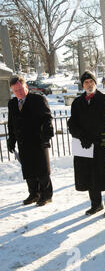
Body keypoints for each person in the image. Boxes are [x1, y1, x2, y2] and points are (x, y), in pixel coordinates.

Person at [68, 71, 105, 217]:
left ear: (95, 83)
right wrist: (81, 136)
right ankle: (96, 204)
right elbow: (72, 123)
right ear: (82, 85)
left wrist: (93, 137)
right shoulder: (78, 103)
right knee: (90, 176)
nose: (89, 85)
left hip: (101, 144)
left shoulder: (104, 100)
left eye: (91, 82)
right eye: (86, 82)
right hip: (85, 146)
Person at [7, 76, 54, 206]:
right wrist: (11, 139)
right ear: (12, 90)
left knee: (42, 169)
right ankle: (34, 194)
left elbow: (47, 118)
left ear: (26, 86)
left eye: (21, 89)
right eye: (15, 90)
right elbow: (11, 123)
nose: (19, 92)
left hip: (38, 140)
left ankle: (46, 194)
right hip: (23, 142)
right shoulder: (12, 103)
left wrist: (47, 135)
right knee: (28, 170)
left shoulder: (38, 99)